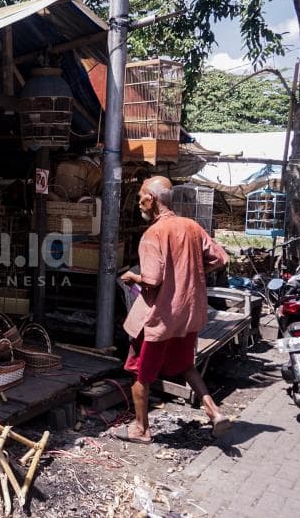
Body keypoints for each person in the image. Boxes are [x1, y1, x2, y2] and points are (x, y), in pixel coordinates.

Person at [113, 176, 231, 444]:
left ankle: (141, 429)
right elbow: (221, 258)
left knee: (140, 375)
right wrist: (194, 273)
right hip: (187, 314)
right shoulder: (191, 226)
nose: (139, 202)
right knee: (187, 366)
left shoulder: (152, 234)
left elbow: (153, 279)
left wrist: (133, 278)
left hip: (161, 318)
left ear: (151, 200)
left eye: (141, 196)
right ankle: (215, 412)